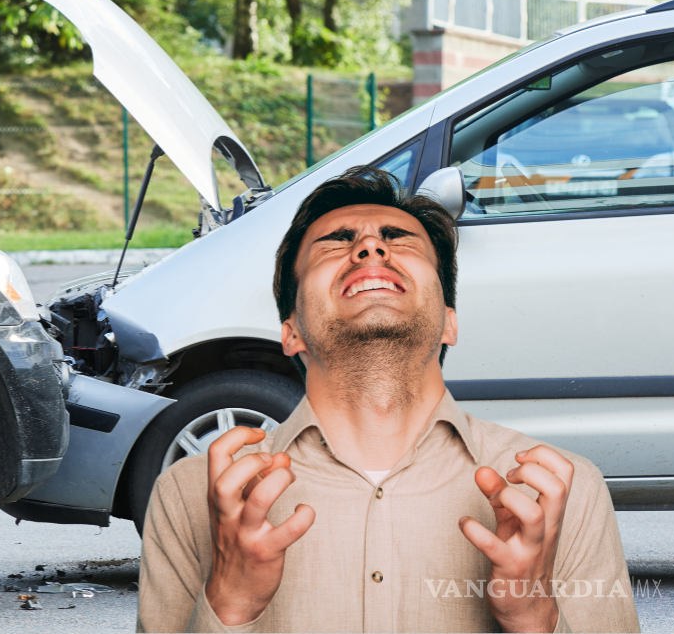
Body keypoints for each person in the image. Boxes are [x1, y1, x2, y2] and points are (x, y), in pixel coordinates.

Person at [136, 166, 639, 633]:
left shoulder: (563, 491)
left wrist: (533, 616)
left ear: (449, 322)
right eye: (336, 241)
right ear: (291, 332)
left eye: (399, 238)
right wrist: (230, 603)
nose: (370, 247)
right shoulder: (190, 493)